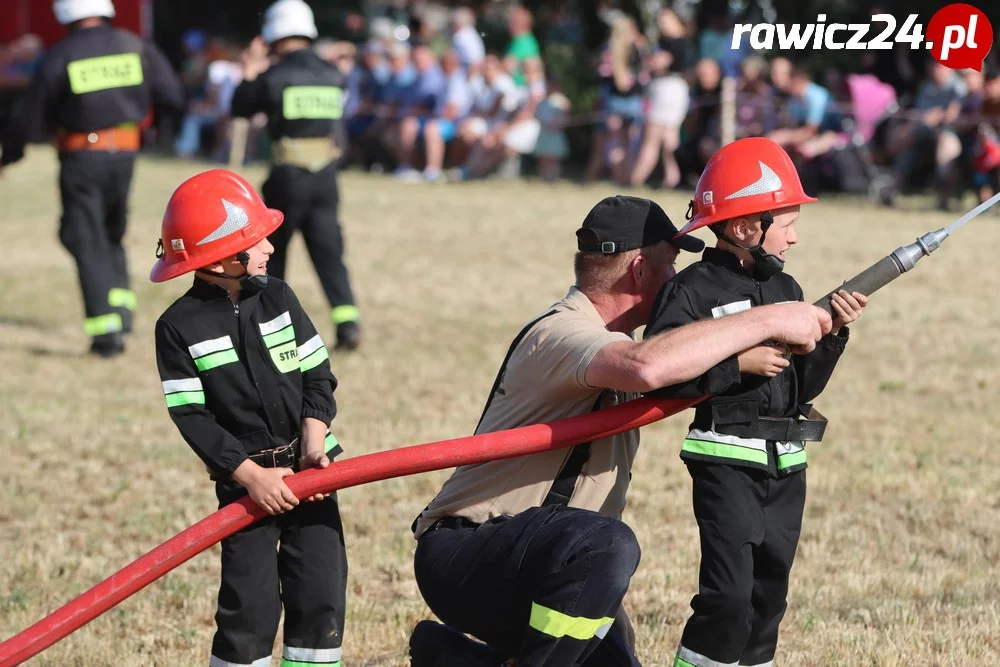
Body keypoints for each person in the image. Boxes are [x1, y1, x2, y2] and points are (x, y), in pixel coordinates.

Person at [407, 195, 836, 666]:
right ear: (638, 270)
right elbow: (646, 366)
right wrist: (773, 317)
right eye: (671, 265)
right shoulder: (563, 333)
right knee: (608, 543)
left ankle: (448, 658)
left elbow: (686, 370)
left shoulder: (624, 345)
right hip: (472, 552)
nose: (678, 281)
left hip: (553, 560)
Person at [644, 137, 867, 667]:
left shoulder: (787, 287)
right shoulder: (692, 293)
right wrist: (735, 365)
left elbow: (802, 388)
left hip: (787, 465)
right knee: (728, 599)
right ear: (747, 228)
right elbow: (660, 374)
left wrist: (831, 334)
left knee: (770, 597)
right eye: (787, 225)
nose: (793, 238)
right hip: (726, 463)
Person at [150, 169, 348, 667]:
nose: (269, 248)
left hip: (311, 472)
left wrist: (315, 439)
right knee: (248, 609)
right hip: (247, 487)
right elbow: (191, 417)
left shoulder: (279, 297)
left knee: (320, 597)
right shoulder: (177, 327)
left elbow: (317, 374)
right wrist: (251, 477)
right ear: (220, 255)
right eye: (255, 239)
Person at [0, 0, 183, 357]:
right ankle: (122, 308)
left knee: (82, 235)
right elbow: (171, 95)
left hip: (82, 157)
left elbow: (30, 114)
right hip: (125, 155)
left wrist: (10, 154)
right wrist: (156, 134)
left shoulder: (62, 54)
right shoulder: (135, 46)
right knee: (111, 231)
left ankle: (106, 334)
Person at [231, 0, 363, 352]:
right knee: (329, 252)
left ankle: (271, 329)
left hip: (287, 175)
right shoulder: (333, 73)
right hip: (326, 176)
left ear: (274, 35)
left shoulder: (275, 75)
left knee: (272, 254)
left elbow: (240, 106)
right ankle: (347, 322)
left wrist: (250, 70)